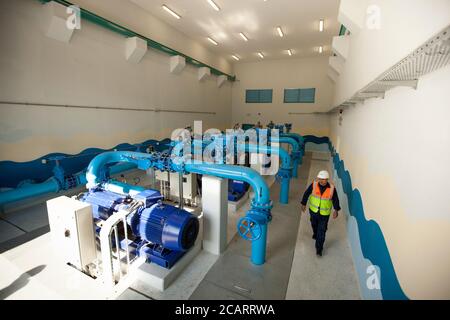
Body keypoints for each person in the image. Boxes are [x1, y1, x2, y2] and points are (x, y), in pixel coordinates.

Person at [301, 170, 341, 257]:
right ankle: (315, 233)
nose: (323, 181)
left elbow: (335, 199)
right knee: (314, 225)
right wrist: (303, 203)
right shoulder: (314, 185)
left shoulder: (332, 189)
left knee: (322, 230)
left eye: (325, 179)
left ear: (327, 179)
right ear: (318, 178)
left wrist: (336, 210)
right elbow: (307, 193)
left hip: (324, 214)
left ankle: (319, 249)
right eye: (321, 179)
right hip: (313, 211)